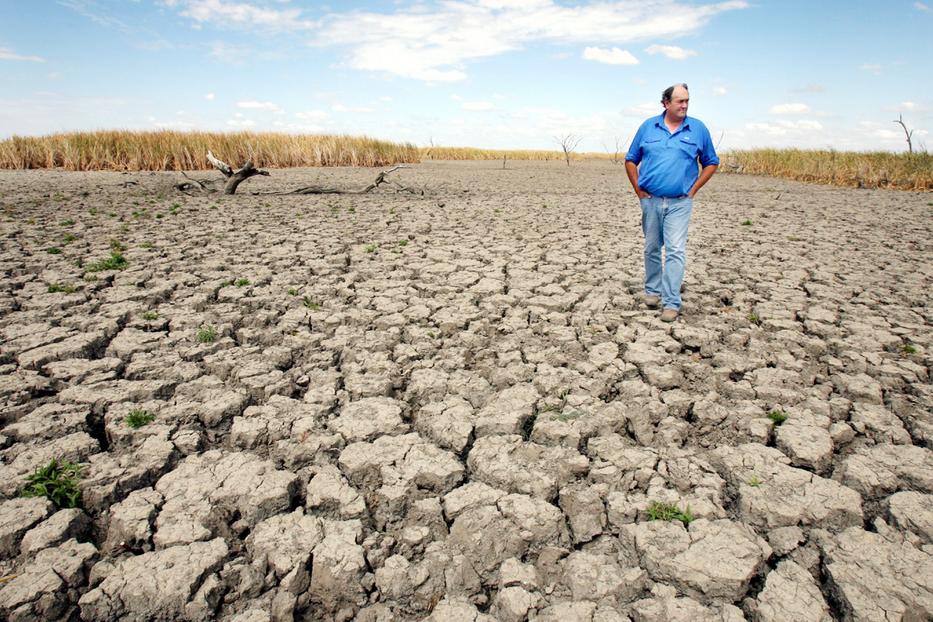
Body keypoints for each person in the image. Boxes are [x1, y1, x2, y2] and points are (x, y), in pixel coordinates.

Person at [624, 83, 719, 322]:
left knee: (675, 250)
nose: (684, 105)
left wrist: (693, 189)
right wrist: (638, 190)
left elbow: (711, 162)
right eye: (679, 101)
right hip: (651, 201)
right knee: (652, 247)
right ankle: (652, 290)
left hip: (679, 202)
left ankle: (671, 301)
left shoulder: (697, 129)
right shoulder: (648, 127)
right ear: (666, 103)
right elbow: (630, 160)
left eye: (687, 101)